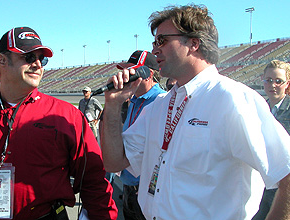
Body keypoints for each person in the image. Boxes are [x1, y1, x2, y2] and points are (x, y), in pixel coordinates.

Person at [100, 4, 290, 220]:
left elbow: (286, 171)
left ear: (194, 43)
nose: (155, 49)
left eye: (162, 40)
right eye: (154, 42)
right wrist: (113, 105)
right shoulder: (159, 107)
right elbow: (114, 162)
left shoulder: (232, 99)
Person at [0, 27, 117, 220]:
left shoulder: (67, 116)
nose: (38, 64)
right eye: (29, 57)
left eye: (43, 59)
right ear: (2, 61)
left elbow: (94, 181)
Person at [116, 50, 166, 220]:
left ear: (148, 74)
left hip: (147, 187)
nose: (125, 76)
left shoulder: (160, 101)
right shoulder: (134, 99)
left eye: (132, 72)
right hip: (129, 184)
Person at [252, 60, 290, 220]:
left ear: (287, 83)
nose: (272, 85)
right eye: (268, 80)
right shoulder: (259, 109)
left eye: (278, 81)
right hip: (262, 182)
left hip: (283, 183)